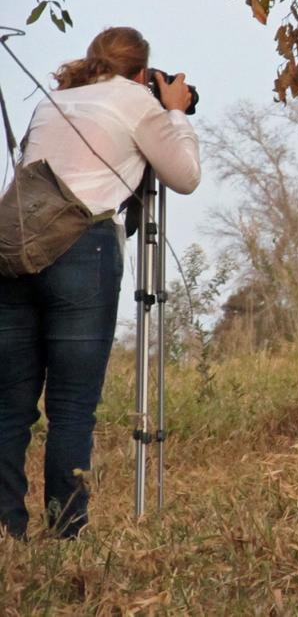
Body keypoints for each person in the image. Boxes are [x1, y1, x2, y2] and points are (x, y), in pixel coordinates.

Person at [0, 27, 200, 538]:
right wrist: (173, 109)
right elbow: (184, 176)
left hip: (14, 246)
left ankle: (6, 532)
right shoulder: (137, 101)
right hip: (81, 250)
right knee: (71, 407)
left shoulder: (55, 99)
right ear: (141, 72)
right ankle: (67, 535)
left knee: (10, 406)